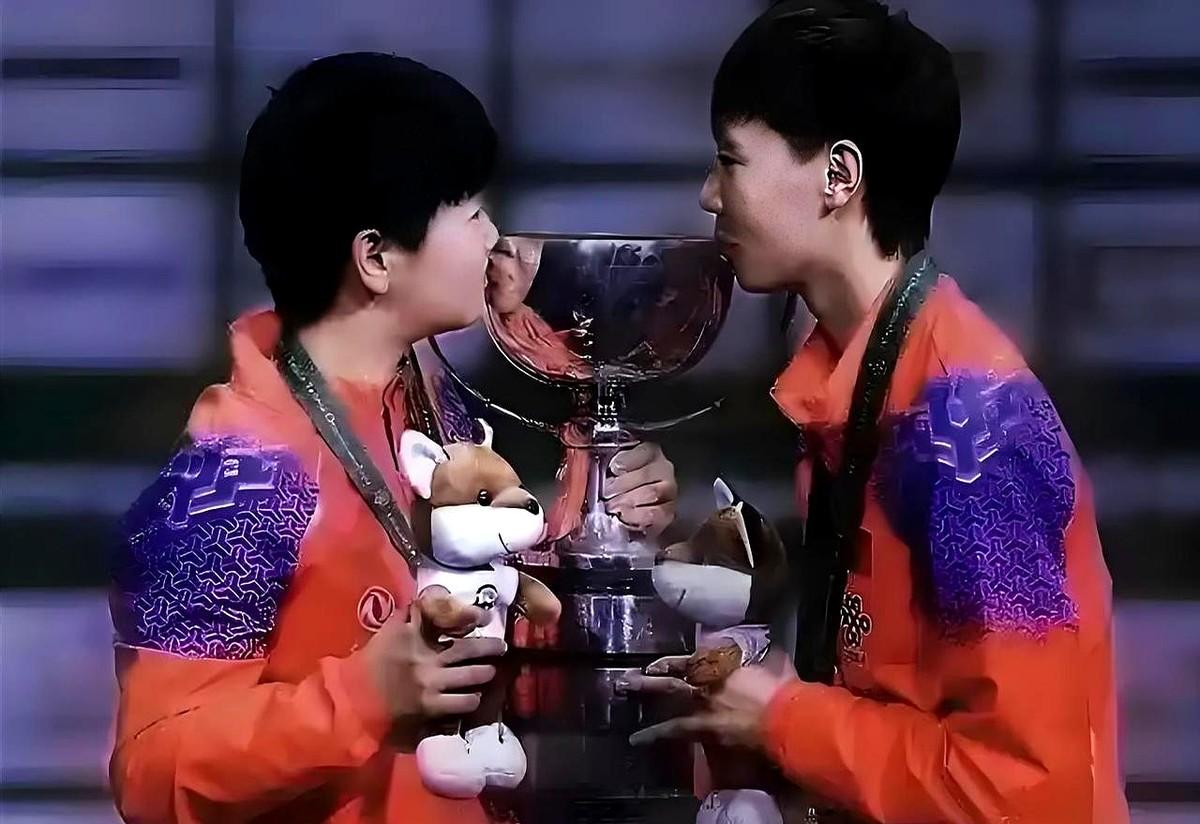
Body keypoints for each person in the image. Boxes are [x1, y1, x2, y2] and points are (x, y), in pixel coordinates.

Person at [108, 52, 678, 824]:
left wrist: (602, 509)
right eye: (468, 209)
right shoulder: (235, 472)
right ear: (375, 257)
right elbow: (151, 771)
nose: (493, 236)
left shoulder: (431, 400)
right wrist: (364, 696)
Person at [626, 3, 1128, 822]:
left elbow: (1028, 793)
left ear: (839, 175)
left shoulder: (967, 432)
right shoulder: (862, 384)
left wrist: (784, 718)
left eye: (731, 160)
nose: (710, 194)